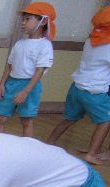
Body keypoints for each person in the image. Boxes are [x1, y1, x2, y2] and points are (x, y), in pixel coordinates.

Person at [47, 6, 110, 165]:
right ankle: (91, 154)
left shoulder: (90, 40)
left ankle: (49, 143)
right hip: (94, 92)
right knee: (105, 121)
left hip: (76, 87)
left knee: (69, 119)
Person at [0, 2, 55, 137]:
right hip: (12, 83)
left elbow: (39, 71)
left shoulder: (45, 45)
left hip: (30, 86)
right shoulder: (19, 43)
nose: (23, 22)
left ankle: (28, 146)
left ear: (43, 21)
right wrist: (2, 84)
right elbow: (9, 66)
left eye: (28, 19)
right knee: (0, 117)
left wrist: (25, 92)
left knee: (26, 120)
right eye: (23, 19)